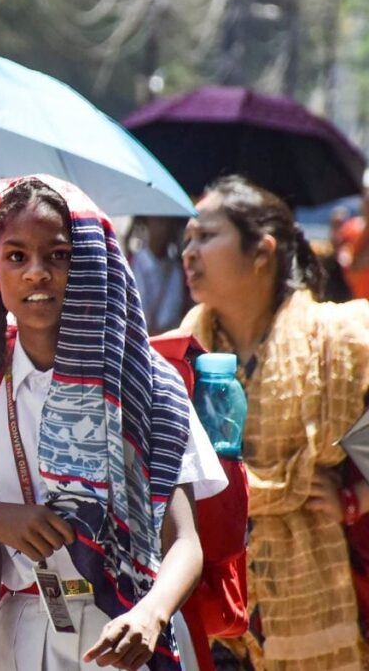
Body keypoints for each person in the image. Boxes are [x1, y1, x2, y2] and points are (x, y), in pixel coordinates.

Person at [0, 178, 227, 670]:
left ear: (90, 268)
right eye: (16, 257)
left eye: (58, 256)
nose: (37, 273)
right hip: (8, 633)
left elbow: (185, 541)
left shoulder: (144, 382)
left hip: (124, 633)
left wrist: (152, 613)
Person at [178, 175, 369, 670]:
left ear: (261, 251)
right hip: (217, 605)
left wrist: (358, 493)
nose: (190, 252)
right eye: (187, 239)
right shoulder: (183, 349)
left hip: (320, 590)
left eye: (206, 235)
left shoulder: (339, 337)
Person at [128, 216, 189, 335]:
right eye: (159, 221)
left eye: (169, 222)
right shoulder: (134, 263)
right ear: (147, 222)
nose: (164, 228)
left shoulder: (177, 269)